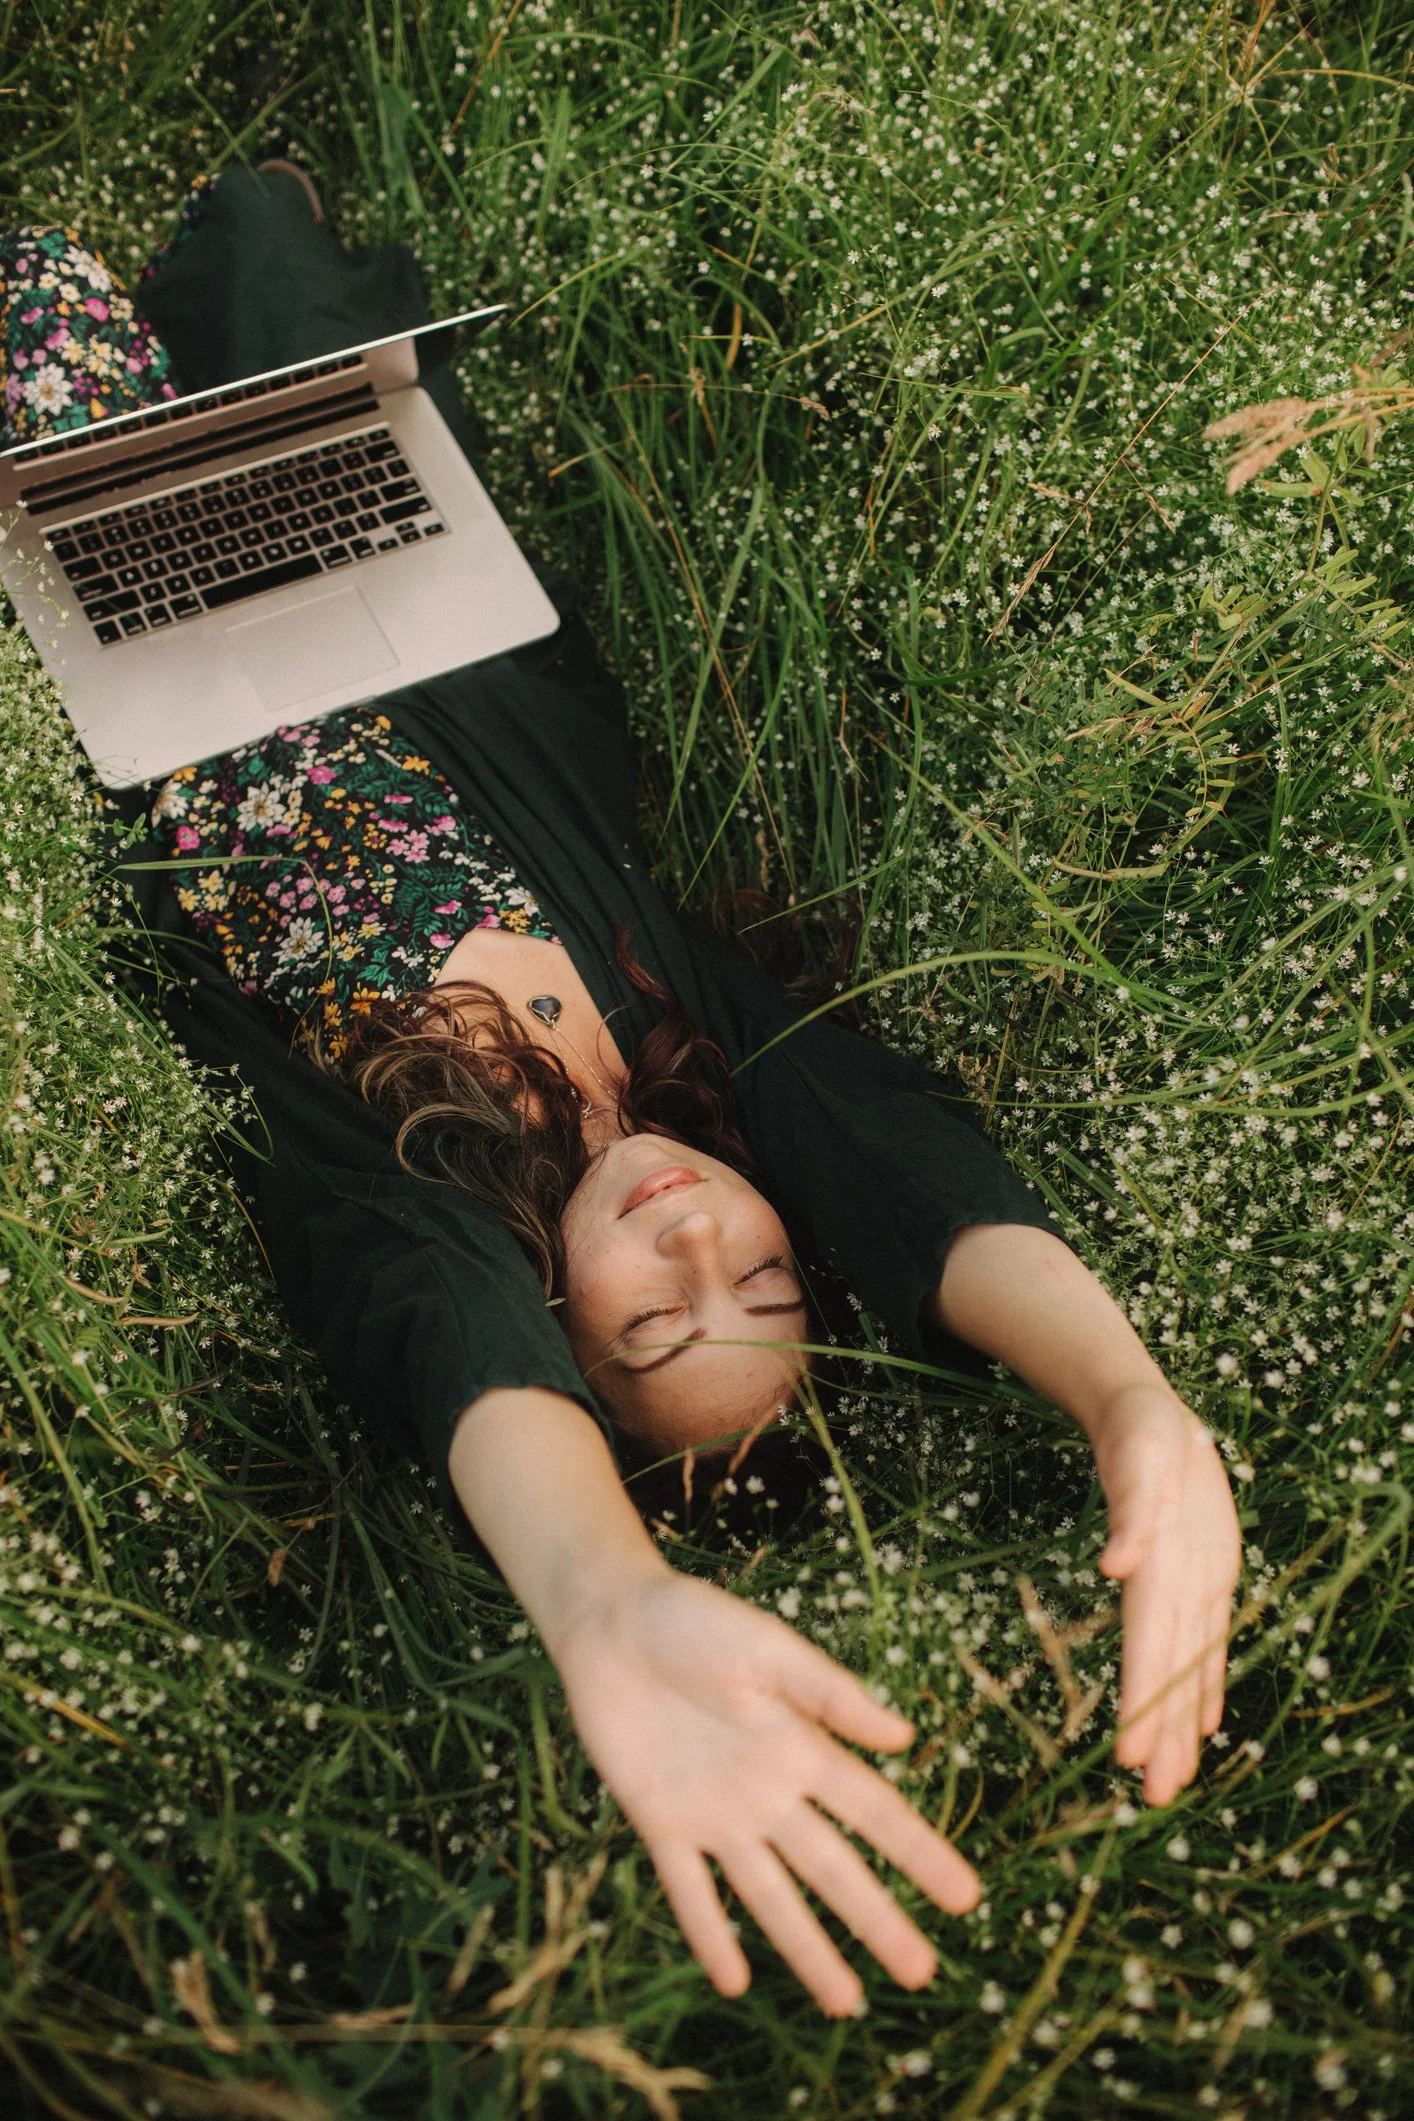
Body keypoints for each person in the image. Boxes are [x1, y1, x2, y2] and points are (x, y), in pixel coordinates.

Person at [1, 169, 1241, 2018]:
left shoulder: (418, 1172)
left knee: (37, 299)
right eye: (761, 1279)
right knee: (261, 257)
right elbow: (913, 1174)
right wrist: (1133, 1405)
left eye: (658, 1329)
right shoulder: (709, 1049)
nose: (695, 1253)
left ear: (568, 1341)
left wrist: (600, 1597)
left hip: (180, 662)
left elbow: (441, 1338)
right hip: (402, 614)